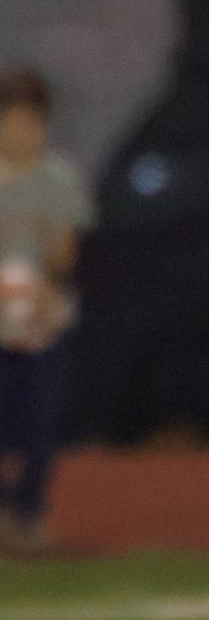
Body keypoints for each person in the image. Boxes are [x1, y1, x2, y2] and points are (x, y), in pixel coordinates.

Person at [0, 68, 95, 554]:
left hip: (42, 321)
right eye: (12, 122)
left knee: (40, 426)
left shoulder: (56, 178)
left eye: (30, 122)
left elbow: (64, 254)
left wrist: (41, 285)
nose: (22, 133)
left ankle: (30, 517)